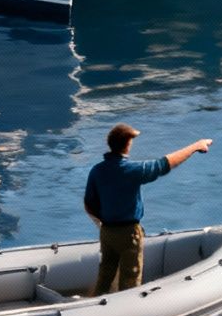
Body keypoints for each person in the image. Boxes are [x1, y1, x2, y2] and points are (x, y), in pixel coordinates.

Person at [83, 124, 212, 296]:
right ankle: (126, 313)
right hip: (128, 233)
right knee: (130, 278)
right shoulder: (131, 170)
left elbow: (89, 203)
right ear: (127, 144)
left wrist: (105, 220)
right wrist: (196, 146)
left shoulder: (97, 171)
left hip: (107, 231)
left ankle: (97, 305)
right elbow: (165, 164)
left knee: (105, 274)